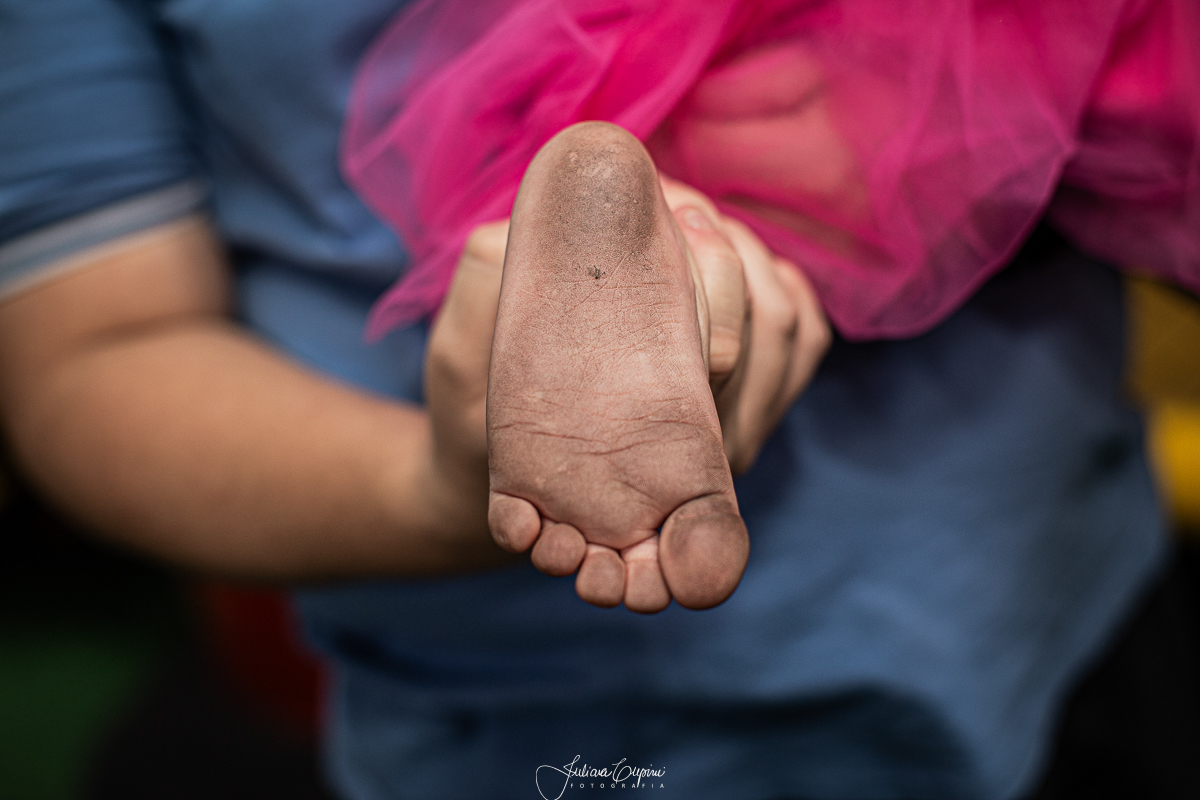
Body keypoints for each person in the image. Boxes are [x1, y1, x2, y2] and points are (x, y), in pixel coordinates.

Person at [0, 2, 1187, 799]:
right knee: (708, 228)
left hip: (1040, 601)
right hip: (962, 590)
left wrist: (955, 135)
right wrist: (434, 489)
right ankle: (670, 288)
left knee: (721, 205)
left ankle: (669, 282)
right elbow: (90, 356)